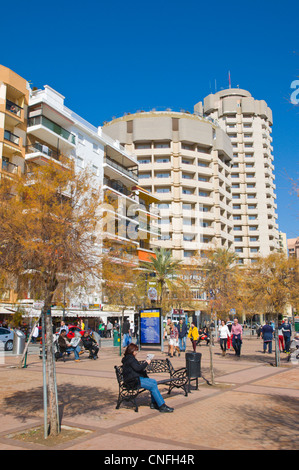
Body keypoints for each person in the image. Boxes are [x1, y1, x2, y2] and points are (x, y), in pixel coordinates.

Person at [122, 343, 174, 413]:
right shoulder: (130, 359)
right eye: (135, 351)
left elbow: (136, 367)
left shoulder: (129, 358)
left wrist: (144, 363)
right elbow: (138, 368)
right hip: (133, 381)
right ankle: (162, 405)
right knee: (152, 385)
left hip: (134, 378)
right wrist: (146, 363)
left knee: (153, 382)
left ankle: (154, 403)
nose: (136, 353)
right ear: (132, 351)